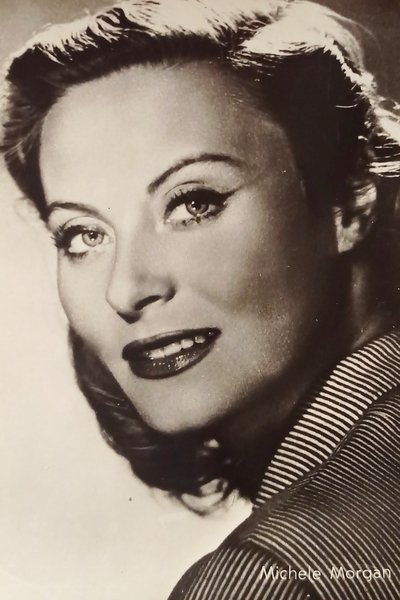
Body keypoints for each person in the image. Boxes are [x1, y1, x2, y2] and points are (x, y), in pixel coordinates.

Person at [2, 0, 400, 597]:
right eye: (83, 235)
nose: (126, 289)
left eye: (193, 203)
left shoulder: (269, 577)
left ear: (349, 199)